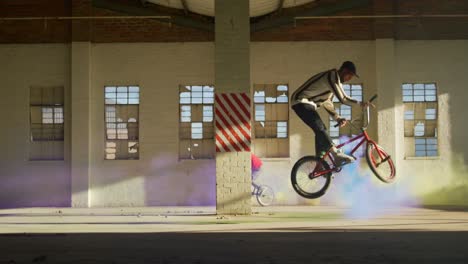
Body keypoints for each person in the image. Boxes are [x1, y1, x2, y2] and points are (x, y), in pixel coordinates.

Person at [291, 61, 367, 165]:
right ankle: (336, 154)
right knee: (320, 127)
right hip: (300, 101)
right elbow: (343, 99)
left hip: (309, 104)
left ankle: (320, 161)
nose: (349, 79)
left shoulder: (335, 83)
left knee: (321, 131)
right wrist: (360, 103)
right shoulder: (332, 76)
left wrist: (337, 118)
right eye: (349, 76)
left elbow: (327, 102)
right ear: (344, 71)